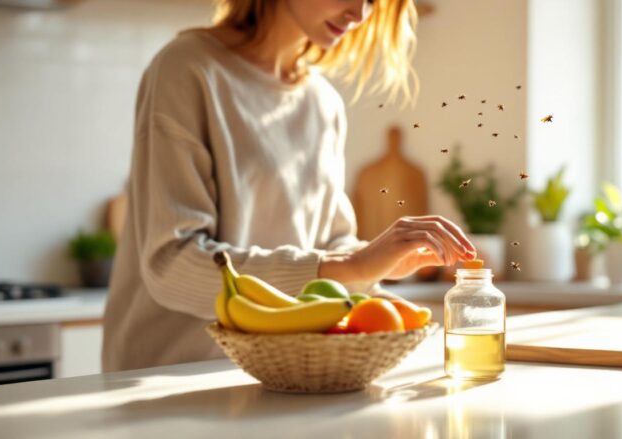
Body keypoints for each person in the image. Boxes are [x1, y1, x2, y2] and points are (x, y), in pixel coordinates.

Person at [102, 0, 476, 372]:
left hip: (282, 375)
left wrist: (376, 267)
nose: (359, 14)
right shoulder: (187, 68)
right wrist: (351, 265)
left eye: (372, 1)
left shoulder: (322, 103)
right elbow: (172, 267)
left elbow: (330, 246)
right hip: (170, 378)